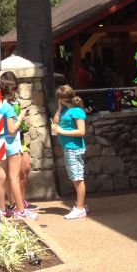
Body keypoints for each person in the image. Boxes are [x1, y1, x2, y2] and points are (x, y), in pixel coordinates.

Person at [0, 73, 35, 220]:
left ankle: (2, 209)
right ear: (11, 90)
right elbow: (12, 129)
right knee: (14, 178)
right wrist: (21, 116)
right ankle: (20, 209)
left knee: (1, 177)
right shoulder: (8, 108)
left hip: (1, 143)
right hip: (12, 144)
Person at [52, 84, 88, 219]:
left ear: (62, 98)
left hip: (74, 148)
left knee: (77, 178)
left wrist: (63, 131)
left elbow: (82, 131)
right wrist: (59, 109)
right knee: (75, 177)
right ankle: (81, 204)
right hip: (68, 147)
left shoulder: (77, 111)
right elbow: (55, 124)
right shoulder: (65, 110)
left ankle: (80, 208)